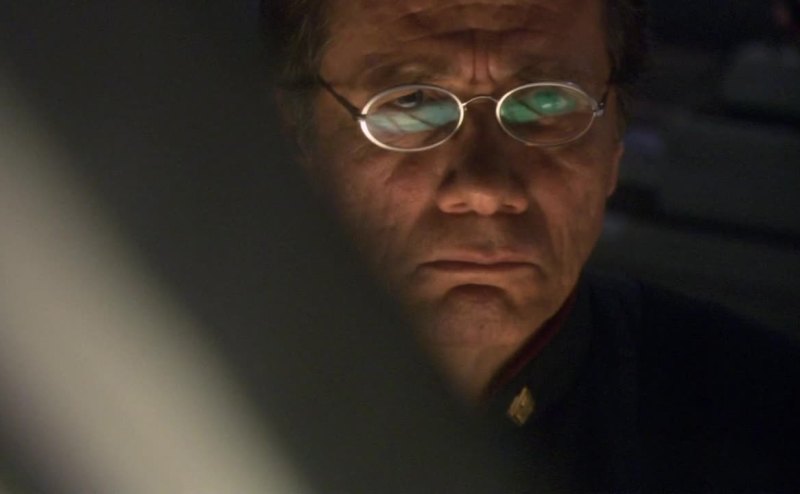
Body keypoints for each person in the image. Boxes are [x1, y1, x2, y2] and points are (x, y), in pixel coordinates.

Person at [262, 0, 800, 491]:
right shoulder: (210, 408)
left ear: (616, 140)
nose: (485, 189)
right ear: (296, 141)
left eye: (545, 102)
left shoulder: (768, 425)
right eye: (412, 103)